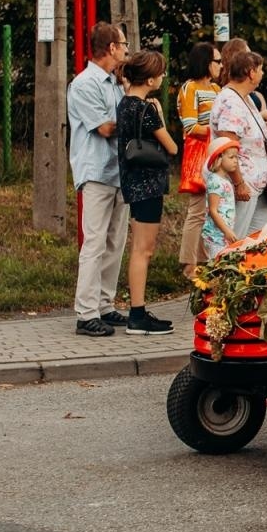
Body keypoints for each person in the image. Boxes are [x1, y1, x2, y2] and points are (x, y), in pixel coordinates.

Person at [68, 22, 131, 337]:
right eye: (123, 44)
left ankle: (105, 304)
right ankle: (86, 312)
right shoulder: (85, 83)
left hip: (120, 172)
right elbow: (105, 128)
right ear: (110, 48)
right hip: (95, 171)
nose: (126, 49)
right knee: (94, 241)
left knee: (114, 241)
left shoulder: (116, 83)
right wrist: (135, 118)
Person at [115, 50, 178, 334]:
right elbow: (172, 147)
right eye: (161, 73)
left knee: (140, 248)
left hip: (131, 181)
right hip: (148, 185)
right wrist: (161, 116)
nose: (164, 77)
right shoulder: (146, 109)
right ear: (150, 78)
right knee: (144, 250)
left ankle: (138, 311)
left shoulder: (125, 104)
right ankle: (137, 315)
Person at [211, 49, 267, 239]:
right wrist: (239, 182)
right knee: (235, 238)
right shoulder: (231, 101)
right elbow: (228, 145)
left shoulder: (245, 98)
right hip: (242, 185)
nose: (262, 73)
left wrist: (265, 127)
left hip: (254, 186)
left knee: (261, 238)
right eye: (260, 69)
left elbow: (244, 132)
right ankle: (227, 269)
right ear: (250, 72)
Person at [176, 42, 221, 272]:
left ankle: (203, 259)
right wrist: (218, 131)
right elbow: (190, 126)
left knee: (210, 208)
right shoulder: (189, 89)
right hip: (199, 155)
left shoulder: (216, 90)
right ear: (205, 62)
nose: (221, 66)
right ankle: (188, 262)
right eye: (217, 61)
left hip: (215, 154)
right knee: (197, 210)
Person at [199, 136, 241, 258]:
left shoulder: (224, 180)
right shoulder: (215, 181)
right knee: (217, 266)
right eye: (231, 157)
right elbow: (213, 210)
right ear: (219, 158)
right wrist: (226, 231)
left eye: (236, 157)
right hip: (216, 236)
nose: (235, 161)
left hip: (222, 235)